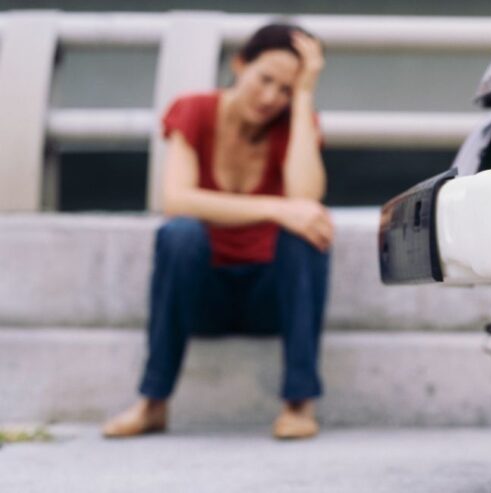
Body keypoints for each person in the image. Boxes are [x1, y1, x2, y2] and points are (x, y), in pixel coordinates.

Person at [102, 23, 333, 440]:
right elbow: (177, 199)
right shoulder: (194, 110)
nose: (270, 98)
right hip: (202, 295)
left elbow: (306, 198)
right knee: (180, 233)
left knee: (307, 232)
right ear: (239, 63)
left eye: (285, 89)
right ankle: (153, 402)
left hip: (270, 297)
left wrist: (304, 97)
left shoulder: (295, 122)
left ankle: (299, 403)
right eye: (265, 80)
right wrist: (277, 208)